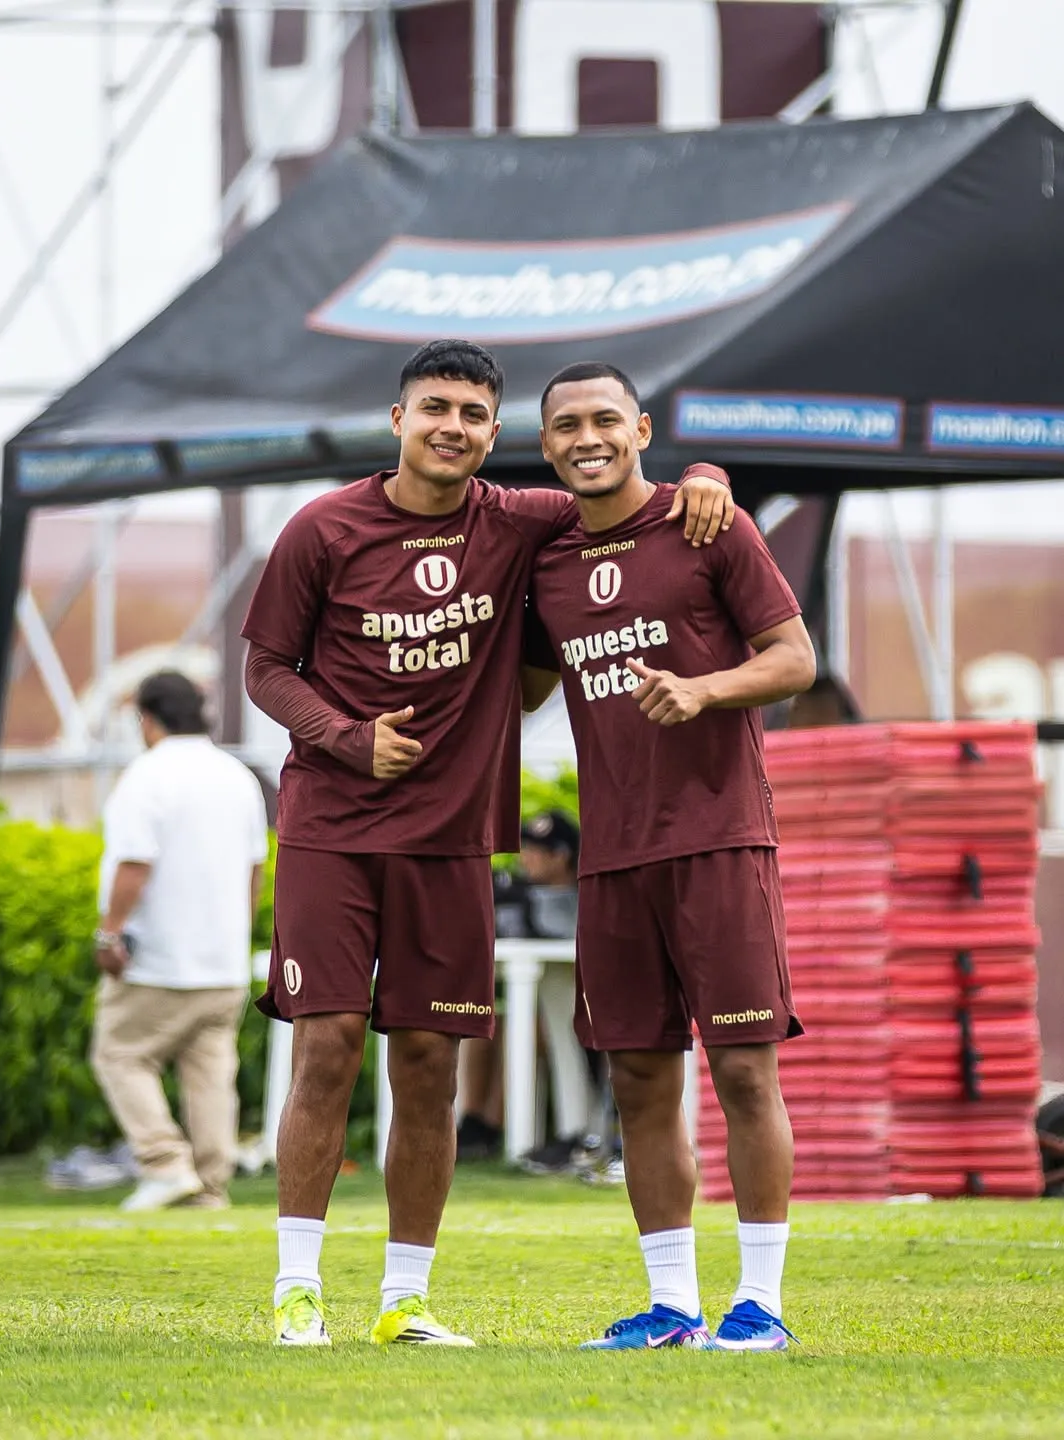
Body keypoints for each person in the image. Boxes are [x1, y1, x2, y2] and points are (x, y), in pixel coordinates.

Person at [240, 339, 735, 1348]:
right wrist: (344, 737)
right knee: (327, 1046)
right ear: (398, 419)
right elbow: (264, 668)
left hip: (455, 841)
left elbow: (623, 495)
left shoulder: (521, 520)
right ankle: (298, 1289)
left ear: (493, 431)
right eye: (435, 408)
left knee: (431, 1061)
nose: (452, 427)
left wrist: (705, 476)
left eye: (473, 413)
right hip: (334, 829)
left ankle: (404, 1299)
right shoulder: (322, 527)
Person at [523, 361, 816, 1352]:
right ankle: (672, 1307)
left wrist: (704, 690)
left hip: (720, 837)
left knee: (742, 1071)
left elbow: (793, 658)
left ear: (640, 428)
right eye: (567, 425)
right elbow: (521, 688)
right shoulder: (545, 556)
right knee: (640, 1082)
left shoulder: (711, 525)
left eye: (606, 418)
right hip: (611, 857)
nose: (587, 437)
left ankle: (762, 1306)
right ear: (548, 442)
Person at [90, 670, 269, 1213]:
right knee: (211, 1070)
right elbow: (255, 867)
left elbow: (134, 862)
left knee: (119, 1053)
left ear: (146, 718)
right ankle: (210, 1185)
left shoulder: (147, 776)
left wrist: (109, 932)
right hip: (223, 960)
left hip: (161, 959)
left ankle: (165, 1163)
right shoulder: (236, 774)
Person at [457, 810, 596, 1173]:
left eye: (538, 850)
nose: (526, 857)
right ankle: (475, 1125)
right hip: (537, 1010)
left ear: (562, 856)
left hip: (575, 1019)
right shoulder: (511, 891)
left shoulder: (587, 898)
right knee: (483, 1024)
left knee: (530, 1029)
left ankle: (516, 1128)